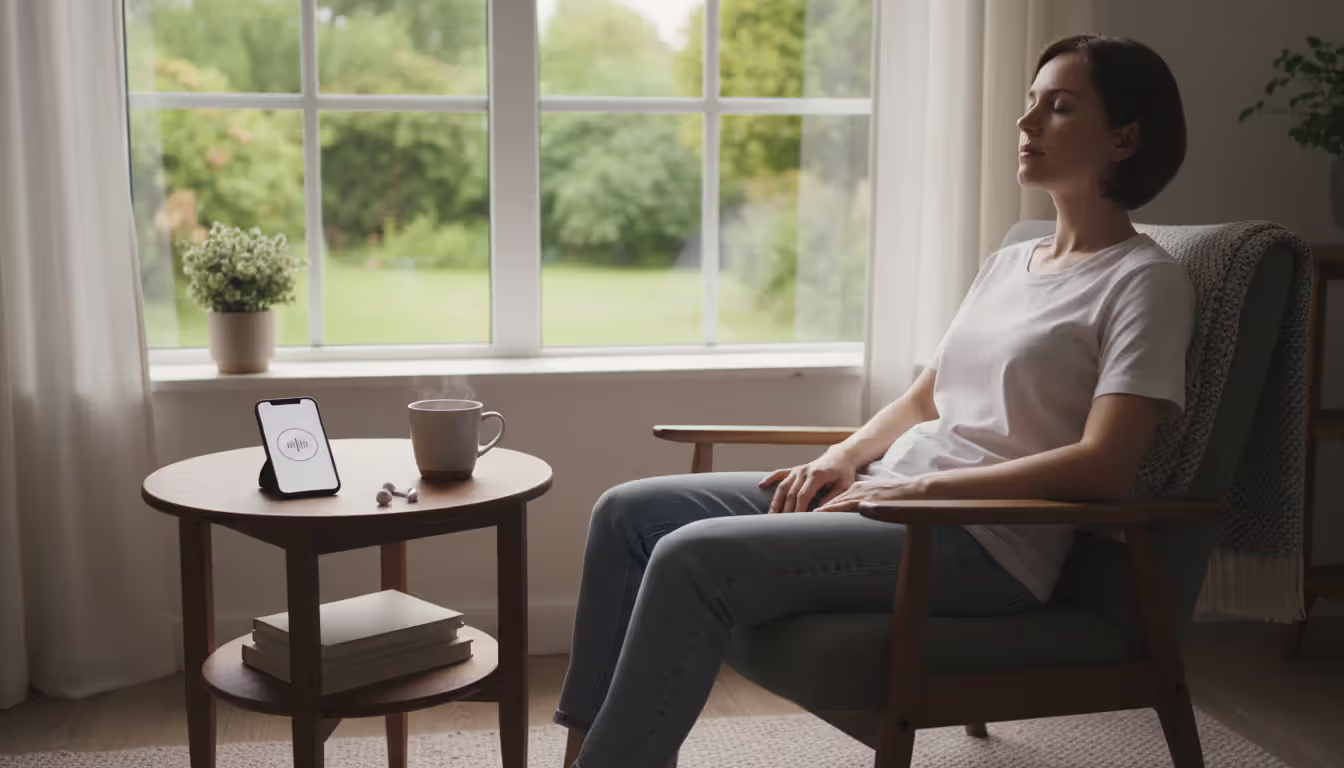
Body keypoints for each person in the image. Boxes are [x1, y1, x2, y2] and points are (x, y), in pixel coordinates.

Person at [553, 34, 1196, 768]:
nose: (1027, 125)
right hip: (897, 498)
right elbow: (927, 397)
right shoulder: (1012, 261)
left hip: (983, 545)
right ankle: (583, 753)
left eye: (1059, 107)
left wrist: (921, 487)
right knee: (627, 512)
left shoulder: (1146, 283)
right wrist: (842, 457)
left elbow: (1105, 466)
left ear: (1124, 137)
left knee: (690, 558)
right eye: (1029, 104)